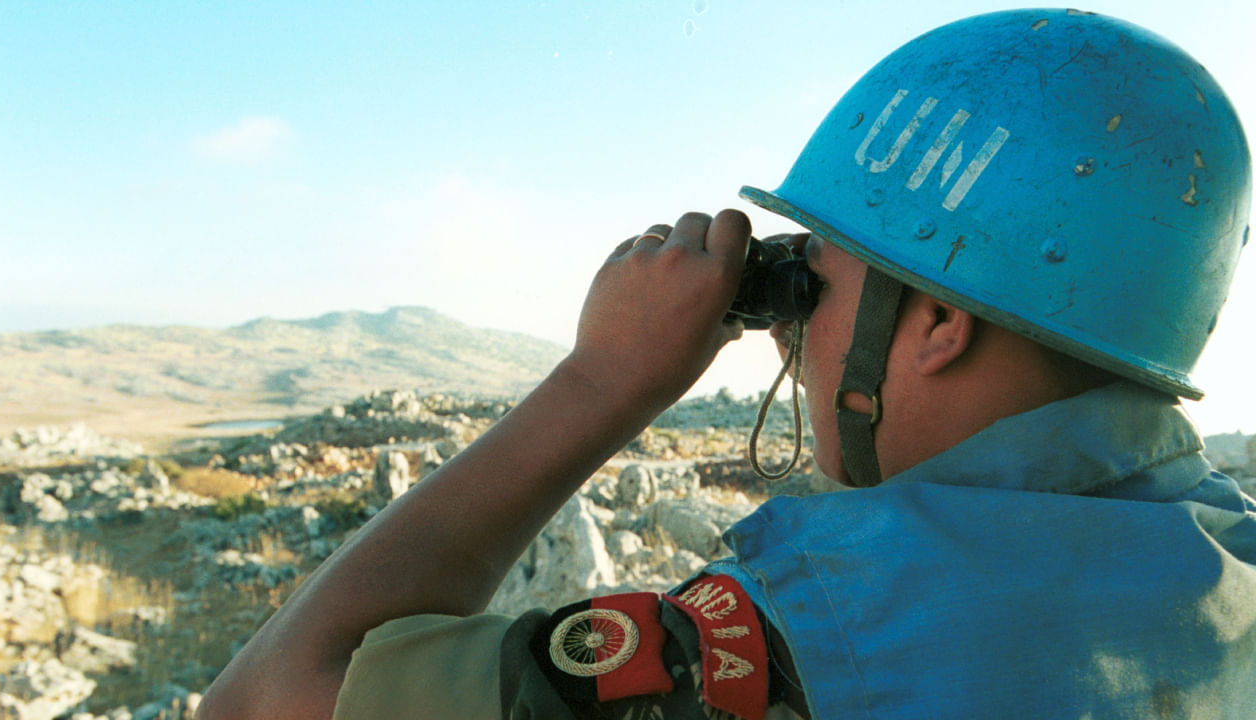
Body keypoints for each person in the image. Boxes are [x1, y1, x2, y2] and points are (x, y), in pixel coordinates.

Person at [198, 8, 1255, 719]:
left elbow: (269, 699)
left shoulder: (825, 632)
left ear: (936, 321)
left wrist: (602, 381)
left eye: (815, 282)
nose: (788, 335)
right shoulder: (1231, 554)